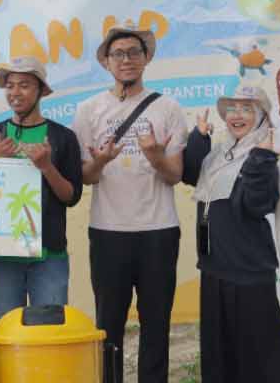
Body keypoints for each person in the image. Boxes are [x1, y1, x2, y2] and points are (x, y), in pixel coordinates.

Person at [74, 25, 187, 383]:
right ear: (106, 62)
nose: (127, 60)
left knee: (157, 322)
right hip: (108, 231)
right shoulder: (88, 110)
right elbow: (86, 177)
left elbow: (174, 175)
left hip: (159, 230)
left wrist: (155, 156)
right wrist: (100, 162)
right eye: (118, 54)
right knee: (108, 324)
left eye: (134, 52)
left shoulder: (168, 108)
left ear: (146, 58)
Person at [183, 85, 280, 383]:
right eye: (232, 108)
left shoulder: (266, 151)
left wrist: (262, 159)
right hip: (214, 266)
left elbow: (258, 205)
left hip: (248, 269)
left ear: (261, 116)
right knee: (219, 353)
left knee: (258, 355)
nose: (237, 115)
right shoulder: (219, 152)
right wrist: (199, 138)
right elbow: (190, 175)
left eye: (247, 109)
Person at [0, 56, 84, 322]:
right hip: (4, 253)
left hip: (50, 254)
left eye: (24, 85)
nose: (15, 92)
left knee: (50, 331)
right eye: (10, 86)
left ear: (41, 90)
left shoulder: (63, 137)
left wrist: (46, 167)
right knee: (7, 329)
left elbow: (71, 196)